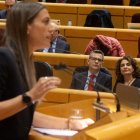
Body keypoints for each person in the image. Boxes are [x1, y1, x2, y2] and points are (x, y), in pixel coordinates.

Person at [0, 2, 94, 140]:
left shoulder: (25, 62)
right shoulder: (4, 57)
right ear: (27, 26)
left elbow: (24, 114)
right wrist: (30, 96)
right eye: (46, 22)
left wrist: (69, 124)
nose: (53, 28)